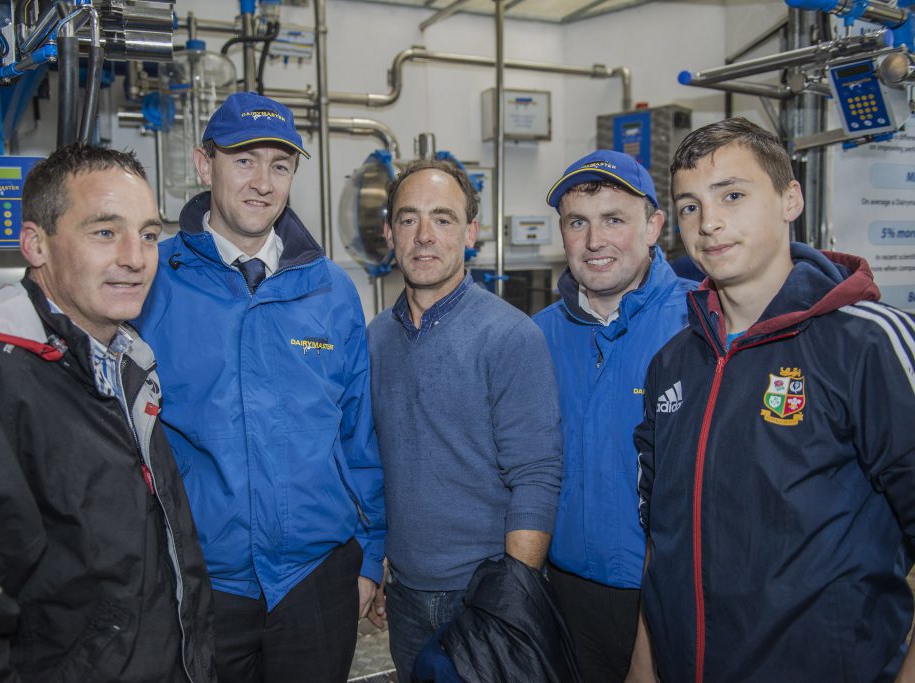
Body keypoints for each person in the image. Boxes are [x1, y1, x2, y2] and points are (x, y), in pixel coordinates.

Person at [0, 144, 215, 682]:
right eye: (104, 232)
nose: (135, 257)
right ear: (36, 244)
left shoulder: (124, 364)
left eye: (149, 234)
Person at [628, 117, 915, 682]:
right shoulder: (673, 364)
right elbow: (661, 541)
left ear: (790, 199)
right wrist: (644, 667)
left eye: (732, 195)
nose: (709, 222)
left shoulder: (867, 344)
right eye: (689, 207)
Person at [133, 91, 385, 683]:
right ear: (204, 164)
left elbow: (359, 438)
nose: (262, 183)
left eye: (280, 164)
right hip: (202, 580)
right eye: (244, 160)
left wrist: (371, 556)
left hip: (316, 579)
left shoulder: (332, 290)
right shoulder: (152, 283)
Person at [367, 159, 564, 683]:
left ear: (471, 233)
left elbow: (536, 476)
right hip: (406, 596)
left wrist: (510, 602)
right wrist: (381, 567)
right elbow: (376, 467)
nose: (424, 236)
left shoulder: (511, 337)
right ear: (389, 232)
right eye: (408, 219)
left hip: (483, 595)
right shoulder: (373, 340)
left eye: (443, 219)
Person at [532, 150, 694, 682]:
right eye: (578, 222)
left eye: (614, 220)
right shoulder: (537, 337)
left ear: (653, 228)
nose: (595, 240)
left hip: (673, 601)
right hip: (563, 593)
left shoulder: (701, 324)